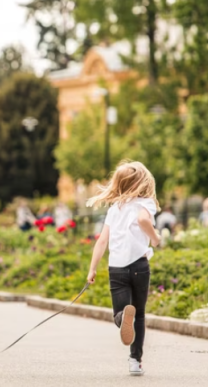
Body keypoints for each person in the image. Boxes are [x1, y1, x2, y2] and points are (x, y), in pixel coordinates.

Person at [86, 161, 161, 376]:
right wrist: (155, 238)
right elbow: (142, 219)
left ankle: (121, 318)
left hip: (116, 268)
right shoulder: (145, 203)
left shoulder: (114, 209)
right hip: (139, 265)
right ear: (142, 182)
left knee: (121, 313)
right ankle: (135, 361)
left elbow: (101, 242)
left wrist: (92, 269)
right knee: (139, 315)